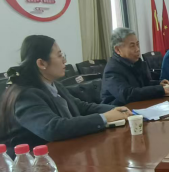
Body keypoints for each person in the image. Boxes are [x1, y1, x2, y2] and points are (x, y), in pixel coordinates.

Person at [0, 36, 131, 158]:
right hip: (31, 166)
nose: (65, 61)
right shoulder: (24, 95)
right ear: (41, 63)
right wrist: (105, 118)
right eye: (59, 56)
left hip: (61, 154)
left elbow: (82, 107)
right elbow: (53, 128)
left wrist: (118, 110)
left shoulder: (53, 85)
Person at [101, 28, 169, 105]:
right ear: (118, 50)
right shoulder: (112, 70)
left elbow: (143, 84)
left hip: (138, 105)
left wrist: (159, 84)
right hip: (117, 109)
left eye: (137, 44)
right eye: (132, 46)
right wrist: (160, 90)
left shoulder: (135, 62)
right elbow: (128, 94)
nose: (137, 49)